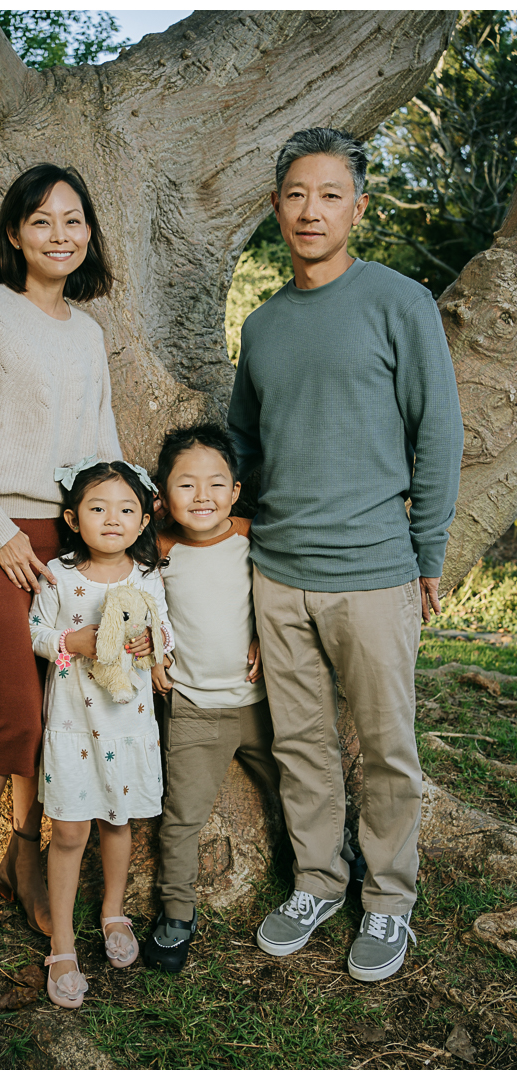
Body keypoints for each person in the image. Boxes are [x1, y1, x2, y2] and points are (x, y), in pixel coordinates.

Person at [227, 127, 463, 982]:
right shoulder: (261, 326)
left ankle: (389, 900)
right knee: (301, 743)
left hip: (374, 571)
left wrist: (426, 550)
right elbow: (245, 449)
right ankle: (320, 880)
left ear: (357, 208)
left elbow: (438, 434)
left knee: (388, 744)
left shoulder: (402, 303)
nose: (311, 210)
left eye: (330, 194)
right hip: (278, 573)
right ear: (276, 207)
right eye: (295, 194)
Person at [0, 163, 122, 967]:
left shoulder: (89, 332)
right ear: (14, 234)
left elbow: (102, 445)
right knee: (18, 708)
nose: (60, 235)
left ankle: (25, 851)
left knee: (58, 709)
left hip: (64, 544)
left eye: (74, 221)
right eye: (42, 222)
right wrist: (0, 529)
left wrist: (122, 545)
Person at [29, 459, 173, 1008]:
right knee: (68, 831)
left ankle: (114, 911)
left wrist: (151, 645)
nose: (112, 519)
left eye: (126, 510)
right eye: (97, 507)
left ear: (142, 523)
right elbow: (34, 631)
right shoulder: (60, 575)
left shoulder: (146, 577)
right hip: (73, 723)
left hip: (128, 723)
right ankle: (62, 942)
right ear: (72, 518)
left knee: (119, 821)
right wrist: (73, 642)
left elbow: (163, 628)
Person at [143, 424, 281, 974]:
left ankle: (332, 866)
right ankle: (177, 914)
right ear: (163, 495)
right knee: (181, 817)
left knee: (302, 789)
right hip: (195, 710)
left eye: (215, 483)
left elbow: (285, 595)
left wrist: (265, 637)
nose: (202, 496)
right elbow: (133, 601)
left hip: (263, 702)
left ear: (236, 489)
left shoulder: (255, 536)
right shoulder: (156, 548)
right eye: (186, 485)